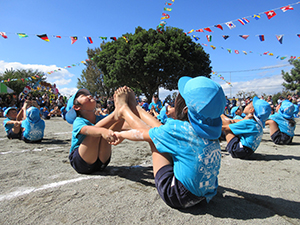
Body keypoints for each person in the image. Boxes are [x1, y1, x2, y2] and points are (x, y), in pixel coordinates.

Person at [111, 76, 226, 209]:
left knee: (155, 139)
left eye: (179, 95)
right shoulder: (212, 132)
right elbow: (162, 130)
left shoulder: (179, 130)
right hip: (205, 194)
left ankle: (124, 109)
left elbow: (144, 134)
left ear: (185, 109)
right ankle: (135, 107)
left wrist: (121, 134)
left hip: (179, 196)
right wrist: (137, 108)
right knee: (162, 134)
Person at [66, 88, 123, 174]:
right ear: (77, 107)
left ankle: (120, 109)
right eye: (83, 96)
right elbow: (88, 130)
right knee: (98, 129)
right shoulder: (78, 121)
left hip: (101, 162)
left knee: (115, 121)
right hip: (81, 162)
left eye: (88, 94)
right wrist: (103, 131)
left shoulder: (100, 118)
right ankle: (117, 111)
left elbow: (118, 122)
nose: (89, 95)